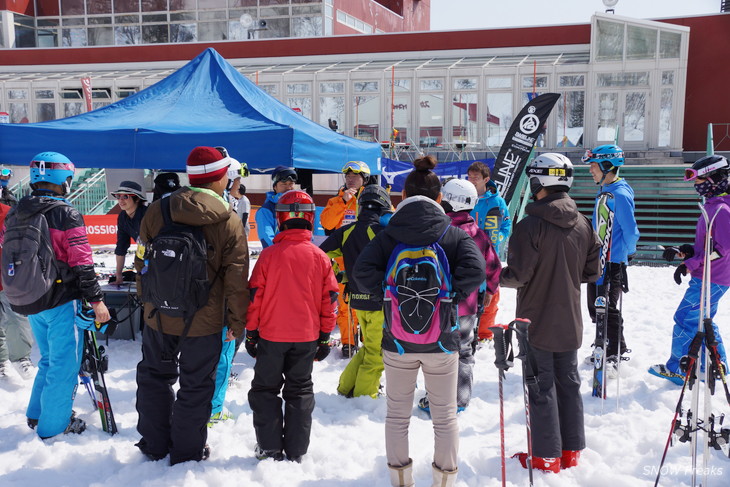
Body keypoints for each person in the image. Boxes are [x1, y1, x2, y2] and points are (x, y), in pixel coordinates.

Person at [353, 156, 485, 487]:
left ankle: (401, 480)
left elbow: (362, 274)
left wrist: (389, 292)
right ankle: (444, 480)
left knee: (397, 416)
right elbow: (476, 271)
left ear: (401, 198)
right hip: (442, 338)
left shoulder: (387, 236)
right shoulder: (452, 234)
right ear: (439, 198)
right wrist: (449, 295)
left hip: (397, 341)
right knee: (445, 416)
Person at [134, 146, 249, 465]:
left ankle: (155, 444)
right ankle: (187, 452)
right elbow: (236, 281)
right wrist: (236, 324)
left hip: (158, 314)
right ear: (220, 176)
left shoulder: (157, 210)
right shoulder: (228, 219)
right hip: (205, 319)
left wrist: (147, 302)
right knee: (197, 385)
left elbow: (141, 261)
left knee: (154, 377)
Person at [500, 153, 601, 473]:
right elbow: (592, 272)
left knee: (541, 386)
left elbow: (518, 275)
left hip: (535, 321)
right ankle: (570, 452)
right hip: (569, 319)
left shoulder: (530, 226)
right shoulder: (584, 222)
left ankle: (545, 457)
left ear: (538, 182)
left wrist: (495, 274)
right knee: (568, 382)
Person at [0, 151, 111, 439]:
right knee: (64, 364)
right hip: (61, 298)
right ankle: (54, 427)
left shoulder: (16, 211)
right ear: (64, 179)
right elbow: (82, 260)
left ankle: (38, 414)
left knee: (49, 358)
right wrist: (97, 301)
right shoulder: (65, 213)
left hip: (30, 296)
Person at [245, 190, 338, 463]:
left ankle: (270, 447)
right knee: (299, 391)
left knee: (265, 389)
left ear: (280, 218)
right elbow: (329, 301)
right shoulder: (319, 257)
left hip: (272, 337)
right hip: (307, 337)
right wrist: (324, 336)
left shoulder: (269, 256)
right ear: (310, 219)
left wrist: (251, 333)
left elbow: (255, 299)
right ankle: (296, 451)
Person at [418, 178, 501, 414]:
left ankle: (435, 400)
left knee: (437, 352)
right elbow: (494, 268)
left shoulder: (435, 231)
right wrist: (490, 291)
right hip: (468, 306)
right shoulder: (479, 235)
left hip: (436, 304)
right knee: (464, 352)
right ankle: (460, 400)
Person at [649, 155, 730, 384]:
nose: (696, 186)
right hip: (712, 277)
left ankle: (679, 368)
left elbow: (722, 250)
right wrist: (685, 251)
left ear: (714, 179)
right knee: (703, 319)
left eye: (699, 180)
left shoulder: (721, 210)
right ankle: (718, 364)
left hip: (712, 278)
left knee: (685, 317)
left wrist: (691, 263)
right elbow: (710, 245)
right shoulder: (714, 207)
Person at [320, 184, 391, 398]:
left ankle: (346, 387)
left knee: (369, 348)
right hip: (379, 301)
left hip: (357, 301)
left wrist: (341, 276)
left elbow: (321, 255)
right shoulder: (383, 233)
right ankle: (364, 395)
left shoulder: (347, 231)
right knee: (376, 354)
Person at [583, 144, 640, 370]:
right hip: (598, 259)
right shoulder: (606, 190)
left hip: (612, 261)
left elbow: (631, 230)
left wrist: (626, 254)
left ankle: (615, 348)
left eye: (594, 166)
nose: (590, 171)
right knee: (595, 306)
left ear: (608, 166)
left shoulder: (620, 194)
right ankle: (604, 340)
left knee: (607, 306)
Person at [320, 161, 371, 357]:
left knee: (369, 303)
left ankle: (369, 340)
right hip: (343, 260)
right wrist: (343, 202)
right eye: (348, 176)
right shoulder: (336, 201)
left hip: (368, 259)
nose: (351, 179)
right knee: (345, 305)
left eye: (355, 176)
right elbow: (327, 223)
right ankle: (348, 343)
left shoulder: (374, 198)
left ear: (364, 179)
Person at [467, 161, 510, 344]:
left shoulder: (497, 201)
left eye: (476, 177)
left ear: (486, 179)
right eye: (469, 177)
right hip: (467, 256)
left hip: (490, 258)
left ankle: (484, 334)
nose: (472, 180)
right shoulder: (465, 197)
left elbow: (506, 226)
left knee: (490, 296)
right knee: (468, 294)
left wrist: (496, 240)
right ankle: (466, 330)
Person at [0, 201, 35, 381]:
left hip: (8, 278)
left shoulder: (8, 213)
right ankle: (1, 362)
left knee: (17, 319)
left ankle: (21, 358)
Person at [111, 181, 148, 286]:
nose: (121, 200)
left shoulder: (147, 214)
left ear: (137, 199)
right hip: (144, 258)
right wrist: (118, 275)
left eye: (125, 196)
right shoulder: (122, 217)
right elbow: (121, 247)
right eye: (118, 196)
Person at [255, 166, 297, 248]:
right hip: (278, 255)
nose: (288, 188)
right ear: (275, 187)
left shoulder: (300, 206)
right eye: (284, 184)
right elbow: (267, 237)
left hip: (299, 254)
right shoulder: (266, 210)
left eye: (291, 184)